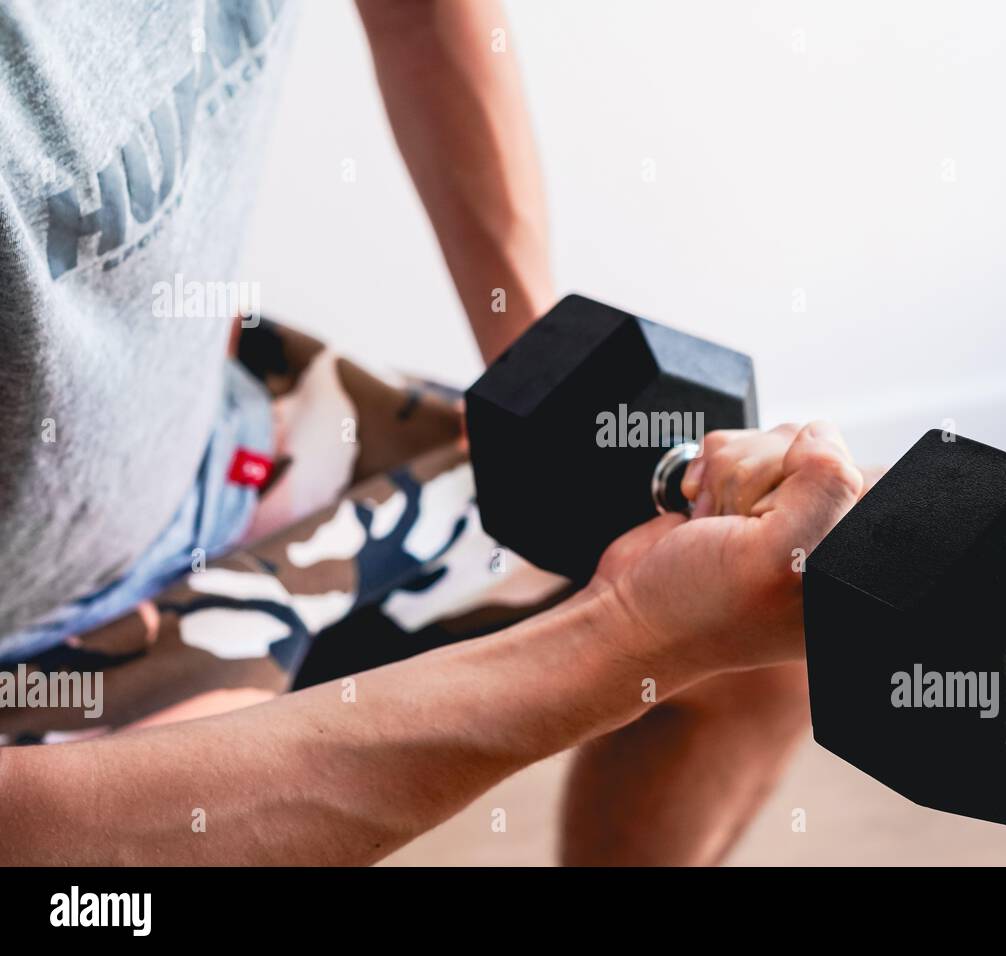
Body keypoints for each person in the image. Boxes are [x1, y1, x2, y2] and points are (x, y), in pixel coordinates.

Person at [0, 0, 865, 865]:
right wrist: (624, 637)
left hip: (232, 441)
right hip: (35, 671)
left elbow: (418, 15)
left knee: (762, 644)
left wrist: (545, 382)